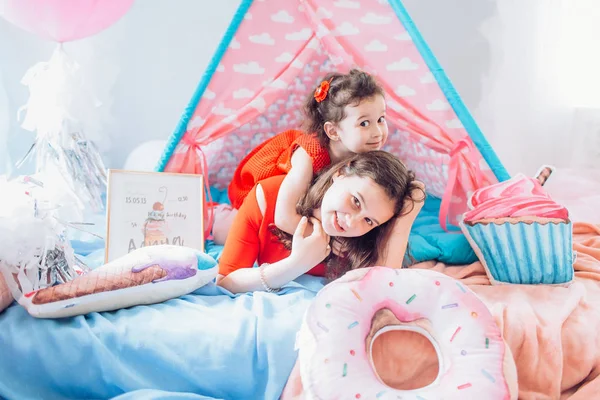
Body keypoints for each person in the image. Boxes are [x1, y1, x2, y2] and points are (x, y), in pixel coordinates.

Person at [217, 69, 389, 244]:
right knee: (236, 234)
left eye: (381, 119)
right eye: (364, 123)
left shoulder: (363, 154)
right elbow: (284, 217)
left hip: (303, 204)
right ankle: (215, 216)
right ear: (333, 131)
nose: (378, 132)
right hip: (263, 201)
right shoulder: (309, 156)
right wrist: (327, 241)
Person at [217, 151, 424, 294]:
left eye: (369, 220)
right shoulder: (269, 196)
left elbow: (382, 288)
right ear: (340, 173)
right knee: (219, 226)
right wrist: (295, 264)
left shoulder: (362, 240)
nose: (351, 222)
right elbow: (226, 281)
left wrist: (408, 215)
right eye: (355, 201)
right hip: (242, 214)